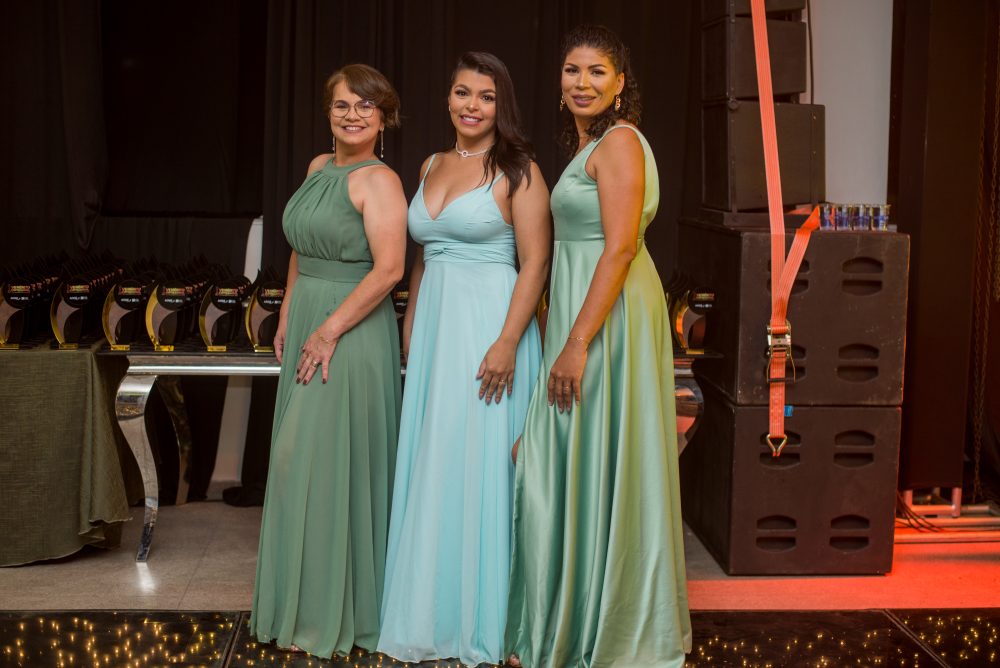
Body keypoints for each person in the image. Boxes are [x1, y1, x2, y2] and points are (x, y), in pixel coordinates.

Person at [504, 25, 692, 667]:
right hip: (587, 308)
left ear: (620, 83)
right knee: (577, 452)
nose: (581, 83)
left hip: (610, 316)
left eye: (597, 72)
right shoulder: (590, 145)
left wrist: (577, 341)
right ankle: (570, 618)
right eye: (571, 71)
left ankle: (602, 628)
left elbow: (620, 247)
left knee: (597, 449)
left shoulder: (620, 142)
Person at [377, 52, 550, 666]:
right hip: (435, 333)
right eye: (462, 92)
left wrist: (507, 341)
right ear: (447, 97)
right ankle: (433, 612)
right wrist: (410, 325)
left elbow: (536, 263)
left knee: (482, 461)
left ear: (502, 106)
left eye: (485, 96)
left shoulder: (520, 170)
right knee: (438, 458)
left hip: (488, 327)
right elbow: (424, 256)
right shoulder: (430, 163)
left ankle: (486, 619)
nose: (471, 105)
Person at [249, 64, 408, 659]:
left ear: (383, 117)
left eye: (366, 106)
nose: (352, 115)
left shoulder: (380, 181)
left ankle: (327, 616)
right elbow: (300, 248)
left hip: (350, 330)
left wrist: (328, 330)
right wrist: (289, 312)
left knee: (317, 463)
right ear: (329, 111)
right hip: (310, 318)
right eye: (343, 104)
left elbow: (389, 271)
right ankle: (300, 610)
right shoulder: (319, 167)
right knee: (303, 466)